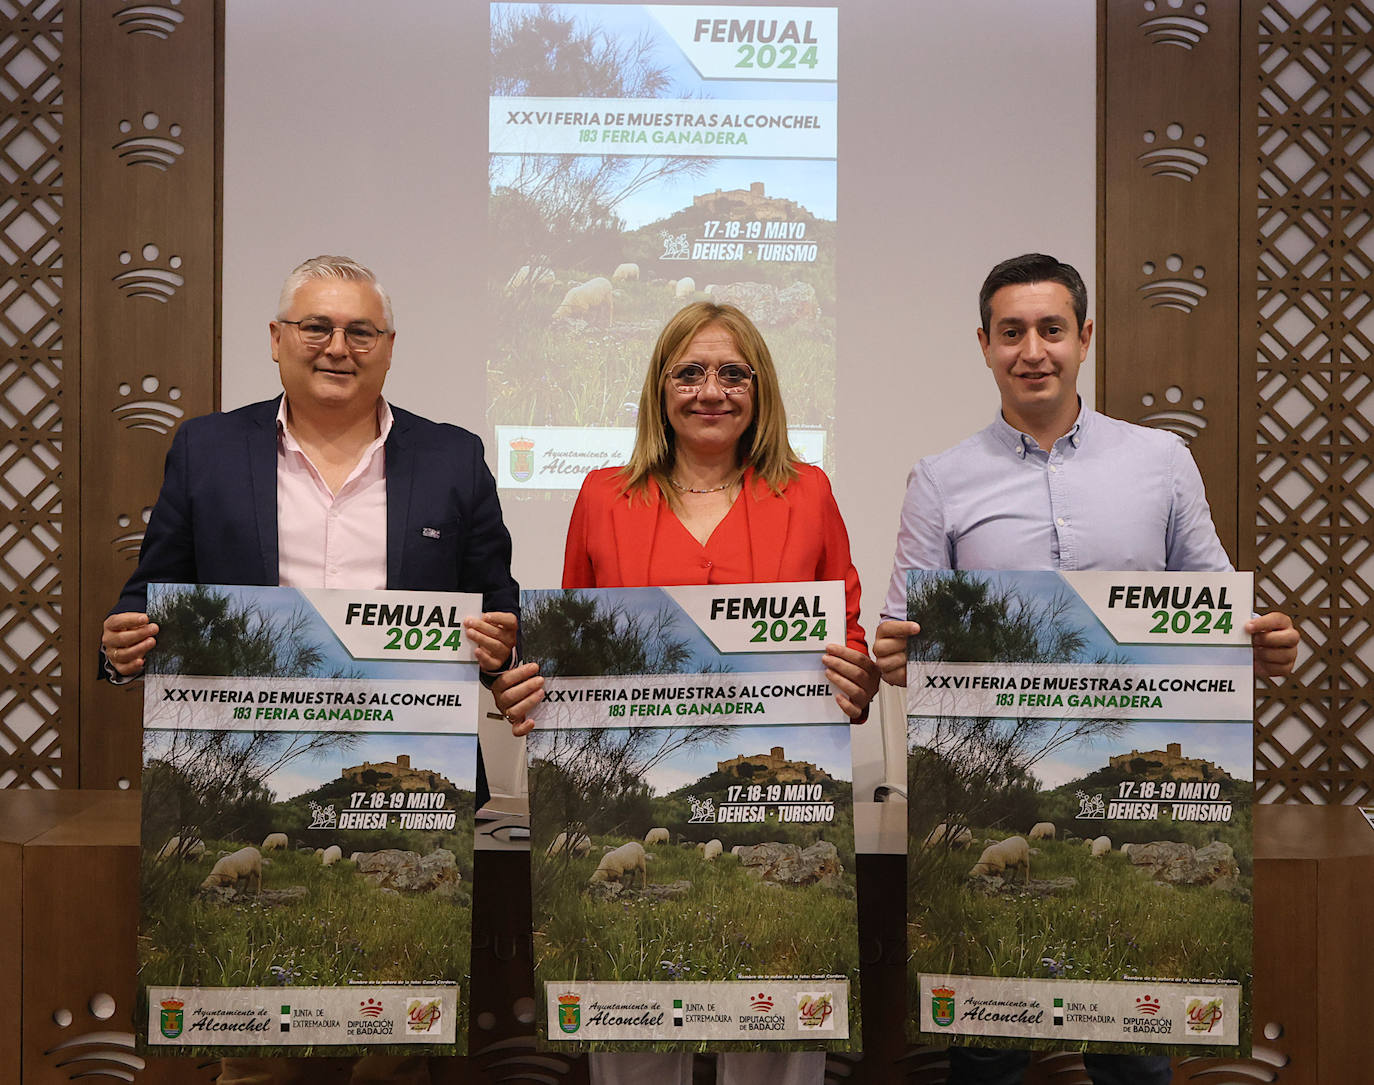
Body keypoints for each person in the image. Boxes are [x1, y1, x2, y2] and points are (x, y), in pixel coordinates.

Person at [874, 253, 1299, 1085]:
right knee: (988, 1054)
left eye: (1051, 329)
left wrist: (1265, 641)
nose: (1032, 349)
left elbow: (1216, 611)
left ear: (1085, 337)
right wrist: (894, 651)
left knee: (1136, 1060)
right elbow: (904, 636)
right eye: (1011, 332)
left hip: (1121, 783)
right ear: (986, 345)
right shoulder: (940, 480)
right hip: (991, 780)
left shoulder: (1161, 463)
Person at [103, 255, 521, 1085]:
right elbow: (148, 595)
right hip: (251, 776)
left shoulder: (452, 458)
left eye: (360, 330)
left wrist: (499, 646)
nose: (339, 346)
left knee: (394, 1053)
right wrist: (122, 648)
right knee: (258, 1054)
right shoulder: (210, 448)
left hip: (410, 790)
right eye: (316, 327)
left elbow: (503, 614)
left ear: (389, 346)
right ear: (276, 340)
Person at [494, 301, 881, 1085]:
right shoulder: (603, 495)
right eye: (691, 372)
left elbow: (847, 633)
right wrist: (532, 685)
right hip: (630, 796)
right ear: (660, 388)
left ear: (760, 387)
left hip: (767, 802)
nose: (712, 390)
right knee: (632, 1015)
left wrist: (857, 676)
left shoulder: (808, 492)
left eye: (733, 373)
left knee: (774, 1011)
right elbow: (573, 645)